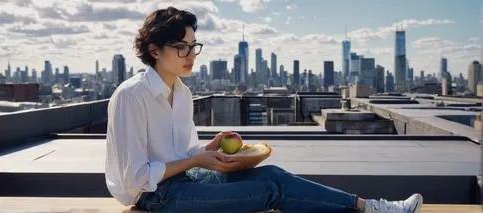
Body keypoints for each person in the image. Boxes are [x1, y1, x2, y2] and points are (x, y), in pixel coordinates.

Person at [104, 6, 423, 213]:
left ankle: (369, 206)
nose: (191, 55)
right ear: (153, 50)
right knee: (271, 189)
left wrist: (208, 150)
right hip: (154, 198)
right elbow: (135, 179)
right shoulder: (131, 96)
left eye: (193, 46)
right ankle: (376, 209)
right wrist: (196, 159)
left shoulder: (183, 93)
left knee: (272, 174)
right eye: (181, 47)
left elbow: (183, 154)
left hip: (183, 181)